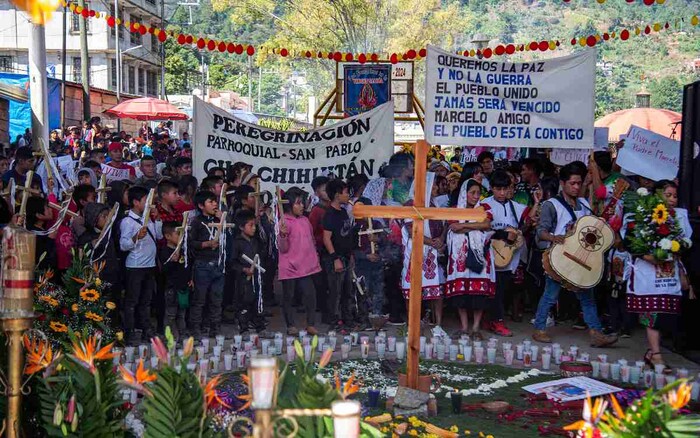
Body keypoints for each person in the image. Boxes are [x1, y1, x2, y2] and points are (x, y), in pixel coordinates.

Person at [532, 163, 617, 347]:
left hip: (580, 259)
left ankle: (596, 333)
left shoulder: (585, 205)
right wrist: (556, 237)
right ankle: (539, 328)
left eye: (579, 183)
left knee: (587, 297)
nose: (577, 187)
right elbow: (541, 232)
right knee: (550, 295)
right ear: (563, 183)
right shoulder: (551, 205)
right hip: (560, 258)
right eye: (572, 183)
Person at [445, 179, 495, 339]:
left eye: (478, 193)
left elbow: (486, 224)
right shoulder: (455, 209)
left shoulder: (484, 208)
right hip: (460, 255)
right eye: (472, 192)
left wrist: (465, 226)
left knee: (478, 292)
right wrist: (473, 225)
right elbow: (454, 228)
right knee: (461, 292)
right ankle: (464, 327)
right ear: (463, 193)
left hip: (479, 254)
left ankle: (475, 328)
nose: (475, 196)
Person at [479, 169, 525, 337]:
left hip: (507, 255)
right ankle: (496, 320)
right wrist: (503, 234)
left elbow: (523, 225)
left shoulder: (515, 207)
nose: (502, 193)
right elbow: (483, 228)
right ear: (491, 188)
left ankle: (491, 318)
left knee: (502, 288)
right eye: (498, 189)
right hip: (490, 253)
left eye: (505, 189)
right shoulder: (484, 204)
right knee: (492, 289)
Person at [401, 172, 446, 328]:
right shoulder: (410, 205)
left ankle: (438, 324)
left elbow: (443, 225)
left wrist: (440, 239)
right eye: (433, 184)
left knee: (437, 287)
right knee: (413, 288)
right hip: (417, 251)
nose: (436, 187)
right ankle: (412, 324)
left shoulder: (435, 204)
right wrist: (431, 242)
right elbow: (410, 228)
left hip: (434, 251)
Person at [119, 186, 163, 345]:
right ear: (136, 202)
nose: (149, 203)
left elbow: (159, 236)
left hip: (149, 265)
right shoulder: (127, 222)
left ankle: (146, 330)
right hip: (135, 266)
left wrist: (157, 219)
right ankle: (129, 332)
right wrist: (136, 237)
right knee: (132, 301)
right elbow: (123, 245)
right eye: (146, 200)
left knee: (146, 301)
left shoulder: (149, 218)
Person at [278, 187, 321, 335]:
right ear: (289, 205)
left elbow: (311, 241)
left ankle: (310, 324)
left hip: (305, 266)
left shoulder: (305, 220)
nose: (302, 206)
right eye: (298, 203)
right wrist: (282, 235)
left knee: (311, 294)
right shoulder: (284, 222)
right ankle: (290, 325)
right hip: (290, 266)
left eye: (302, 203)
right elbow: (282, 248)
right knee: (288, 296)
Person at [187, 190, 225, 339]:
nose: (215, 204)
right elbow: (191, 243)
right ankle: (195, 329)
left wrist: (222, 221)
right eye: (211, 202)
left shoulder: (220, 219)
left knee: (217, 298)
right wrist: (206, 244)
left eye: (215, 201)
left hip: (218, 263)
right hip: (202, 264)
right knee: (200, 299)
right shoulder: (197, 222)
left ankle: (215, 328)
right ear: (201, 206)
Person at [322, 179, 358, 332]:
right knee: (335, 291)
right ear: (337, 195)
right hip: (336, 258)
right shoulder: (330, 214)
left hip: (346, 256)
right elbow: (326, 238)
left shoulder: (343, 211)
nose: (348, 195)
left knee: (347, 290)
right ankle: (334, 321)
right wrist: (335, 258)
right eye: (345, 192)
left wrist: (350, 255)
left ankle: (347, 318)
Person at [230, 209, 267, 334]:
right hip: (243, 279)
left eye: (254, 225)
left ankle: (259, 326)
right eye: (250, 225)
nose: (254, 228)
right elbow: (232, 262)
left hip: (256, 277)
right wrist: (244, 269)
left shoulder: (255, 241)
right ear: (241, 227)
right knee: (244, 302)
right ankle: (244, 327)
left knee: (257, 300)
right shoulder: (237, 243)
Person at [159, 221, 192, 340]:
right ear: (167, 236)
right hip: (171, 289)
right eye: (178, 233)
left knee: (181, 314)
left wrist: (190, 279)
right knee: (171, 314)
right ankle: (170, 337)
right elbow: (164, 270)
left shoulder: (184, 250)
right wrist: (172, 261)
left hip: (183, 287)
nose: (181, 236)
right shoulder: (164, 251)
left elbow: (187, 266)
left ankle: (183, 335)